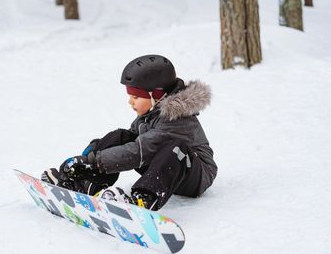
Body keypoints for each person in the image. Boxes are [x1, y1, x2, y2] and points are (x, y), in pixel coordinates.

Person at [41, 54, 217, 211]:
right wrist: (88, 157)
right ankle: (85, 183)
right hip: (162, 165)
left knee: (175, 148)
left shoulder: (176, 119)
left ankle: (143, 200)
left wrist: (93, 162)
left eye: (136, 97)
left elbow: (140, 150)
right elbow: (129, 142)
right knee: (122, 136)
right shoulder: (150, 113)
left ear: (156, 95)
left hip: (192, 174)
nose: (130, 102)